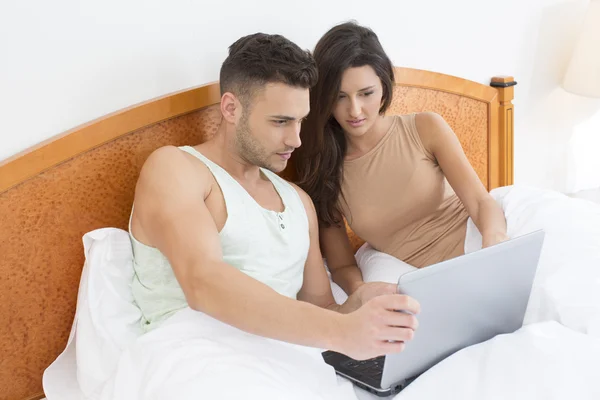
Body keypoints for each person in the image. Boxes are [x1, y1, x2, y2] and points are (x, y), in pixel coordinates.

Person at [128, 32, 419, 362]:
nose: (296, 140)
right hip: (195, 356)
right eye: (281, 121)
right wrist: (342, 332)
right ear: (231, 108)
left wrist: (359, 304)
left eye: (300, 121)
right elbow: (203, 283)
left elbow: (321, 308)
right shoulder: (177, 168)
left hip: (284, 361)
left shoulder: (298, 201)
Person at [293, 21, 509, 297]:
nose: (355, 110)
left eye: (366, 93)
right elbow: (342, 264)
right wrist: (361, 292)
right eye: (340, 97)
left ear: (384, 86)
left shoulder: (425, 128)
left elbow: (481, 202)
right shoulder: (322, 168)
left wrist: (495, 247)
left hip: (477, 238)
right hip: (410, 274)